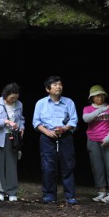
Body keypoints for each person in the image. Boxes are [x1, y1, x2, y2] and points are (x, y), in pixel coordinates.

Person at [32, 76, 79, 205]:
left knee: (68, 165)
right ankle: (49, 195)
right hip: (47, 136)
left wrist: (64, 129)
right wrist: (47, 132)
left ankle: (70, 196)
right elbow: (36, 122)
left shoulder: (69, 102)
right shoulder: (40, 103)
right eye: (55, 85)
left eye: (60, 84)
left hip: (65, 135)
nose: (58, 86)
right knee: (48, 166)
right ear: (48, 89)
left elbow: (74, 120)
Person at [0, 83, 25, 202]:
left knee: (12, 164)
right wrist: (7, 121)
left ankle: (12, 191)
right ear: (5, 95)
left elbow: (21, 118)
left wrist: (22, 127)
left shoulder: (19, 104)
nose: (14, 99)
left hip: (12, 138)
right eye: (12, 97)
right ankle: (0, 191)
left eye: (16, 97)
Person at [83, 85, 109, 203]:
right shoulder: (88, 108)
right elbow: (86, 119)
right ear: (92, 97)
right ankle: (101, 191)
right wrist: (101, 109)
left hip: (108, 140)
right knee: (97, 166)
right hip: (93, 140)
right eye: (96, 95)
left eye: (101, 95)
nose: (99, 97)